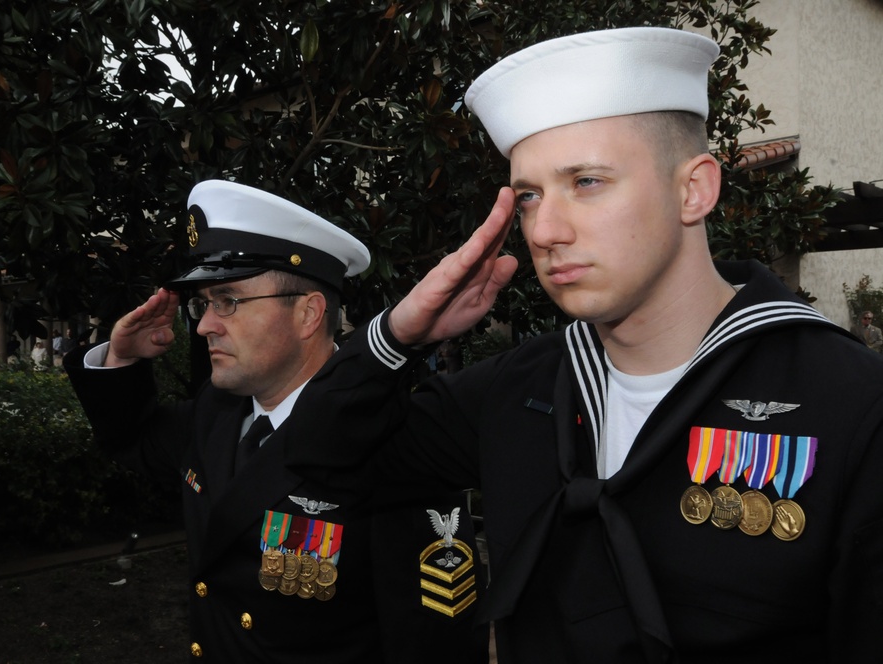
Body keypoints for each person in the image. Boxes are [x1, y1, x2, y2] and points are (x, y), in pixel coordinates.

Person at [283, 27, 883, 663]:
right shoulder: (518, 387)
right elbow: (317, 457)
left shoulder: (847, 403)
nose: (545, 230)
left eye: (588, 182)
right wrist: (398, 335)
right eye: (530, 197)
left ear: (693, 189)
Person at [64, 180, 487, 663]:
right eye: (204, 304)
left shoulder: (392, 441)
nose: (204, 325)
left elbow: (432, 643)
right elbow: (131, 441)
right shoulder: (217, 415)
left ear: (308, 313)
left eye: (229, 300)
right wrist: (119, 358)